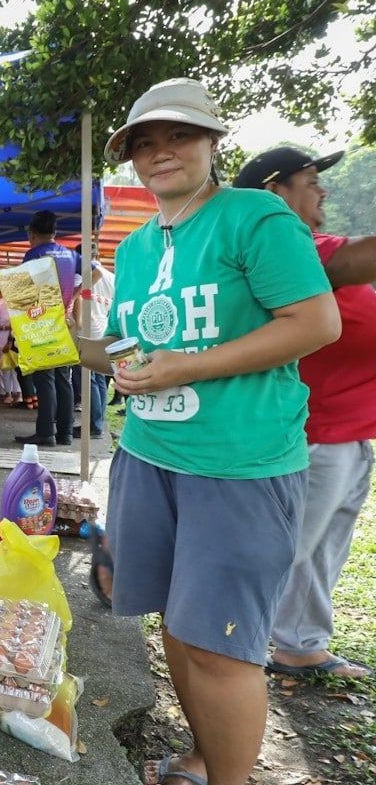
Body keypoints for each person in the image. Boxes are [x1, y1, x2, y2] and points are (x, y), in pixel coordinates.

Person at [99, 77, 340, 785]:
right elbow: (127, 347)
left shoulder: (255, 218)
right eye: (145, 144)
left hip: (238, 465)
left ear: (211, 142)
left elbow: (314, 323)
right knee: (176, 624)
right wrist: (71, 344)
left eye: (178, 136)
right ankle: (204, 757)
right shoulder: (139, 247)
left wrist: (185, 368)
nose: (160, 153)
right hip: (149, 454)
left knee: (222, 647)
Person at [235, 146, 376, 680]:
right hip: (314, 432)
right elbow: (355, 260)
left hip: (348, 430)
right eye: (311, 180)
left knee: (318, 550)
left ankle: (300, 642)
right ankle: (230, 646)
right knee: (282, 551)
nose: (323, 190)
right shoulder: (292, 249)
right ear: (276, 192)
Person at [14, 210, 80, 447]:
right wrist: (70, 299)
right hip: (63, 320)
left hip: (42, 322)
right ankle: (66, 433)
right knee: (64, 379)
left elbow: (22, 291)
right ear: (55, 232)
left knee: (45, 380)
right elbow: (93, 274)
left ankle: (46, 432)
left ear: (32, 233)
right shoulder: (71, 255)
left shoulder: (33, 255)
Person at [70, 249, 115, 440]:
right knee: (99, 379)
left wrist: (77, 325)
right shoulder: (112, 277)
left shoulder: (88, 275)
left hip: (89, 328)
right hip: (103, 327)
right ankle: (97, 422)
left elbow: (79, 299)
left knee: (88, 378)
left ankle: (94, 425)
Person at [0, 284, 22, 405]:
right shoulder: (15, 305)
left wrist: (5, 327)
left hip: (1, 341)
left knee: (5, 368)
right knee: (14, 368)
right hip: (14, 340)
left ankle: (8, 393)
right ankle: (17, 393)